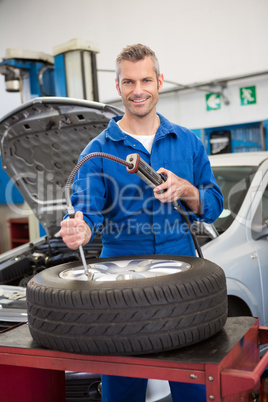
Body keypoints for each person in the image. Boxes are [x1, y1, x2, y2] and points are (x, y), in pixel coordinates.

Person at [60, 44, 223, 402]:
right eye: (129, 81)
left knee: (193, 384)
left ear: (159, 82)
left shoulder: (188, 142)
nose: (138, 90)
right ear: (117, 86)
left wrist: (187, 191)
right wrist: (80, 228)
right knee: (121, 389)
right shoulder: (98, 150)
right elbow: (86, 208)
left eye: (146, 79)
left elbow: (213, 206)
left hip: (182, 277)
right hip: (120, 285)